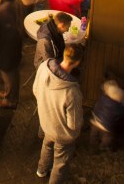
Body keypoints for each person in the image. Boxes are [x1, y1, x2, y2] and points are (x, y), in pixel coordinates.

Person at [34, 44, 84, 184]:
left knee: (47, 144)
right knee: (60, 163)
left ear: (64, 54)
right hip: (62, 134)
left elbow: (35, 90)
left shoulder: (44, 67)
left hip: (45, 122)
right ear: (78, 62)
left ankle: (41, 170)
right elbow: (73, 124)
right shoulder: (72, 92)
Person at [0, 0, 23, 109]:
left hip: (7, 48)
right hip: (14, 46)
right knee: (12, 72)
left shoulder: (5, 9)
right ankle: (8, 93)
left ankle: (10, 100)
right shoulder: (16, 1)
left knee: (8, 74)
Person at [89, 79, 124, 153]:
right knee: (107, 137)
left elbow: (96, 106)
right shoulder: (118, 105)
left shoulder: (102, 98)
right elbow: (121, 113)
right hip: (106, 125)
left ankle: (93, 145)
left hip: (96, 120)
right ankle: (103, 146)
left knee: (94, 134)